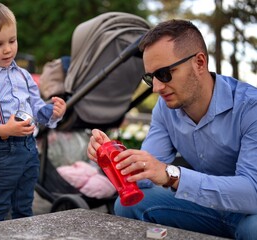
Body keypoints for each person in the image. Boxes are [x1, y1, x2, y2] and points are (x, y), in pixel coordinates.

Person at [87, 19, 257, 239]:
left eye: (165, 73)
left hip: (250, 212)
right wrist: (112, 156)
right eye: (151, 78)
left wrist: (172, 175)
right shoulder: (166, 109)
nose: (157, 87)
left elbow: (252, 193)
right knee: (128, 205)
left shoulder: (250, 107)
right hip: (208, 208)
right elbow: (146, 178)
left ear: (199, 62)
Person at [0, 2, 66, 224]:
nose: (8, 49)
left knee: (24, 206)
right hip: (0, 154)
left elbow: (36, 107)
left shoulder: (23, 76)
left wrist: (53, 111)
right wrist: (5, 129)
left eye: (12, 40)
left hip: (28, 151)